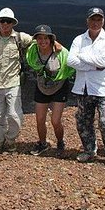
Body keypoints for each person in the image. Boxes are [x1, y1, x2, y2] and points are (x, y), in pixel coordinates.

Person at [67, 7, 105, 170]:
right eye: (93, 19)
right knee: (83, 121)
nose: (96, 22)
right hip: (83, 88)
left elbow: (103, 62)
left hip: (103, 89)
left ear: (103, 21)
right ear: (87, 21)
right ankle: (89, 150)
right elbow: (70, 60)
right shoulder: (79, 39)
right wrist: (92, 65)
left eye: (99, 19)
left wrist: (82, 58)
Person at [0, 8, 33, 154]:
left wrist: (56, 45)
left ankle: (11, 139)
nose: (5, 24)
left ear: (13, 23)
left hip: (13, 83)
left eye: (8, 21)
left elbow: (40, 41)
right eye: (2, 21)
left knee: (13, 114)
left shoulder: (20, 37)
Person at [26, 25, 74, 156]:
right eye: (40, 38)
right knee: (40, 119)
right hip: (42, 85)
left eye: (46, 38)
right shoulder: (33, 51)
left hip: (59, 86)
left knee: (55, 120)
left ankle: (60, 141)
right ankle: (42, 143)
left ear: (51, 39)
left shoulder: (60, 52)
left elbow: (70, 65)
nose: (43, 41)